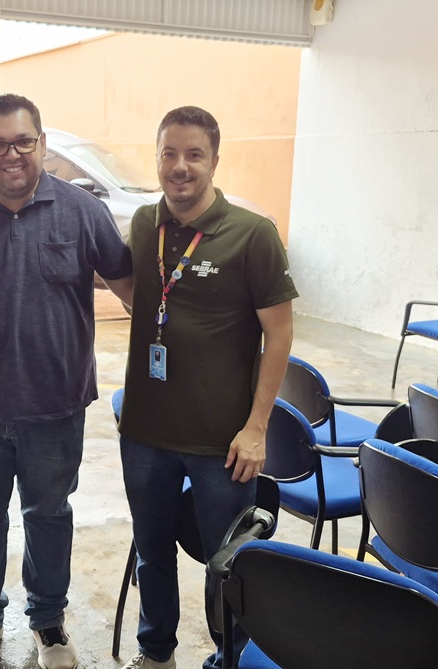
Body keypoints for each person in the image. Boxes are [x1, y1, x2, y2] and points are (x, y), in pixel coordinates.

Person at [0, 94, 135, 669]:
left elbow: (130, 288)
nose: (13, 154)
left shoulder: (82, 211)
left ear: (42, 144)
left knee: (49, 514)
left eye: (24, 142)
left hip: (57, 405)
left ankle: (49, 622)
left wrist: (187, 337)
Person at [116, 106, 298, 669]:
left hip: (224, 443)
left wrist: (257, 428)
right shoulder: (144, 224)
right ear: (157, 159)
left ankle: (229, 658)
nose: (181, 166)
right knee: (152, 554)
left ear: (215, 160)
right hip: (145, 433)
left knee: (228, 566)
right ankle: (156, 652)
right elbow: (143, 295)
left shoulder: (253, 234)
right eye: (169, 153)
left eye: (194, 154)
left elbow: (279, 335)